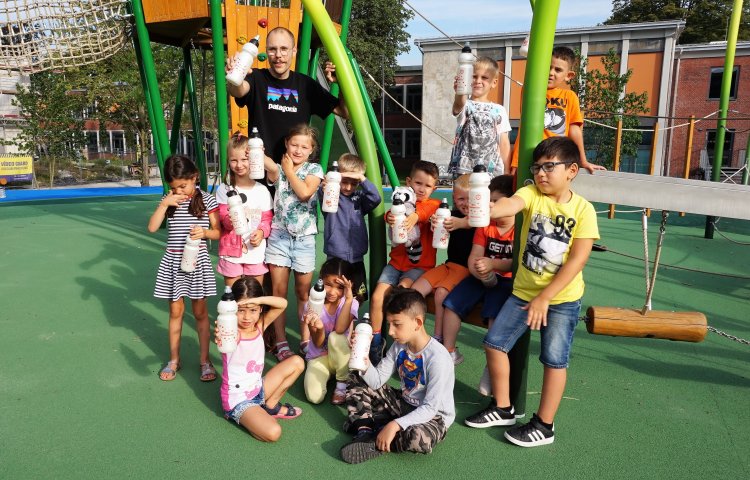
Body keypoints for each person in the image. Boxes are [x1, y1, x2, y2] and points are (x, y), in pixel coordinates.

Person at [465, 137, 599, 447]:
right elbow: (511, 204)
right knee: (494, 343)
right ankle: (503, 408)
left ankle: (544, 424)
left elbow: (578, 260)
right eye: (537, 167)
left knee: (554, 360)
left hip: (561, 299)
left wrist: (545, 298)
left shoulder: (584, 210)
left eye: (549, 167)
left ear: (572, 170)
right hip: (524, 293)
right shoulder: (532, 194)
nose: (540, 173)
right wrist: (490, 207)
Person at [340, 288, 455, 464]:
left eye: (397, 324)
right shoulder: (400, 346)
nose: (391, 332)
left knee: (418, 438)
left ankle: (376, 436)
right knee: (356, 376)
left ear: (417, 323)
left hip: (434, 417)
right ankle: (364, 432)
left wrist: (395, 424)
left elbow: (430, 408)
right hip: (404, 403)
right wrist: (361, 357)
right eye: (389, 324)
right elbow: (377, 381)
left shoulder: (438, 358)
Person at [226, 26, 347, 163]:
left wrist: (341, 81)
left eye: (284, 49)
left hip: (294, 170)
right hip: (261, 168)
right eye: (272, 49)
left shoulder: (307, 85)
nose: (278, 55)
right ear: (266, 51)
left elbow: (345, 112)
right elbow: (237, 91)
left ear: (294, 51)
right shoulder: (256, 77)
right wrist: (235, 75)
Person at [147, 155, 220, 382]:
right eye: (174, 187)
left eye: (183, 186)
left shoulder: (207, 200)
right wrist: (164, 204)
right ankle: (174, 360)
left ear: (194, 177)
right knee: (176, 312)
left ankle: (205, 360)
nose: (179, 191)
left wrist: (204, 233)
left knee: (200, 313)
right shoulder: (169, 200)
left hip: (197, 262)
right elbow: (152, 228)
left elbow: (218, 232)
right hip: (173, 262)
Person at [441, 174, 515, 395]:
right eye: (489, 201)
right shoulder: (485, 225)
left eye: (497, 201)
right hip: (481, 276)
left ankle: (491, 365)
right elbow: (474, 256)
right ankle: (448, 353)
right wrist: (479, 271)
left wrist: (493, 265)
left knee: (494, 314)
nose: (490, 206)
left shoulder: (519, 228)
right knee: (451, 304)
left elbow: (516, 262)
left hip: (506, 280)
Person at [369, 160, 440, 365]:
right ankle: (376, 341)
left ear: (434, 189)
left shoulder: (433, 205)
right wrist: (391, 217)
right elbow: (390, 214)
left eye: (427, 186)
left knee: (401, 295)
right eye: (418, 183)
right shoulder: (401, 201)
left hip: (419, 266)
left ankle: (402, 343)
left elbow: (427, 211)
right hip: (395, 264)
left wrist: (415, 216)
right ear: (408, 182)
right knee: (377, 297)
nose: (422, 189)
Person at [263, 124, 323, 361]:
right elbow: (267, 164)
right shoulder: (278, 169)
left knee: (302, 292)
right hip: (279, 237)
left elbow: (305, 193)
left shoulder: (314, 169)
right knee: (279, 293)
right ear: (287, 144)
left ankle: (305, 339)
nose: (298, 150)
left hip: (304, 239)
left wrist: (288, 171)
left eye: (304, 147)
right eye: (294, 144)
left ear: (311, 150)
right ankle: (281, 341)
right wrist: (251, 147)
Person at [219, 276, 305, 442]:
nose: (246, 317)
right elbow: (223, 336)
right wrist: (221, 333)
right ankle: (238, 415)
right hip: (239, 400)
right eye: (241, 310)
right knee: (273, 433)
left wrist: (257, 300)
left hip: (258, 388)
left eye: (252, 310)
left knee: (297, 362)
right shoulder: (231, 332)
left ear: (260, 309)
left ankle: (271, 406)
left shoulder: (260, 325)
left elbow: (282, 303)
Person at [409, 173, 474, 364]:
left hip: (466, 269)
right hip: (449, 265)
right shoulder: (451, 214)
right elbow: (438, 229)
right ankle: (417, 337)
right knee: (415, 290)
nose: (465, 203)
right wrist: (435, 223)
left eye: (470, 199)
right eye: (461, 199)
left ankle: (438, 339)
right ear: (454, 198)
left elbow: (475, 223)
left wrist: (459, 223)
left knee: (441, 294)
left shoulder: (479, 219)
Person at [510, 46, 605, 175]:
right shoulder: (531, 89)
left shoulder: (569, 96)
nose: (551, 73)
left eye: (558, 70)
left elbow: (574, 130)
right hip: (525, 157)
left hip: (554, 159)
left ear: (568, 76)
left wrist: (582, 160)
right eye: (548, 67)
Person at [318, 153, 382, 303]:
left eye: (354, 183)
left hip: (356, 256)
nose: (348, 187)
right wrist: (330, 182)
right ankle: (333, 317)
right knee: (334, 293)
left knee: (359, 295)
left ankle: (351, 317)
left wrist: (362, 178)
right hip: (335, 255)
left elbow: (375, 198)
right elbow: (322, 192)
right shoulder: (331, 195)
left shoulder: (358, 198)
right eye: (344, 182)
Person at [215, 132, 273, 287]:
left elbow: (267, 219)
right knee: (233, 295)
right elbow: (222, 217)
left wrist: (261, 232)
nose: (239, 165)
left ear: (252, 159)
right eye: (234, 160)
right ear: (228, 161)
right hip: (230, 251)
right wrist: (230, 221)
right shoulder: (224, 189)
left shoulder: (262, 191)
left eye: (244, 159)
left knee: (254, 294)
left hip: (255, 251)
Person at [301, 258, 358, 405]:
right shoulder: (312, 304)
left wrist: (349, 299)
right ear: (321, 281)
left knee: (336, 336)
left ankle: (342, 383)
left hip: (340, 355)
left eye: (340, 287)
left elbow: (340, 329)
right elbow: (318, 344)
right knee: (314, 397)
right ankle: (332, 374)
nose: (333, 292)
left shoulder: (351, 302)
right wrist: (319, 328)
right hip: (319, 356)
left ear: (348, 286)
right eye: (328, 285)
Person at [448, 56, 511, 178]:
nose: (478, 81)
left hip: (491, 171)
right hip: (464, 169)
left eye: (484, 77)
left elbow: (503, 142)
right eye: (474, 76)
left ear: (494, 82)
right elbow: (458, 104)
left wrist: (507, 170)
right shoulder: (465, 104)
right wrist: (460, 91)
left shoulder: (499, 110)